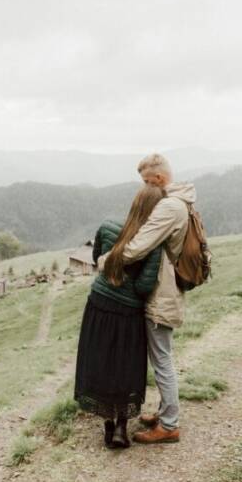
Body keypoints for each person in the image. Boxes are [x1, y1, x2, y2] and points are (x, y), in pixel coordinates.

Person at [101, 153, 195, 444]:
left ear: (160, 179)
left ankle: (169, 426)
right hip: (168, 290)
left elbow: (140, 246)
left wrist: (108, 260)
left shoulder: (169, 207)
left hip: (162, 295)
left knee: (162, 360)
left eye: (146, 181)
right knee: (162, 357)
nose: (144, 187)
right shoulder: (183, 201)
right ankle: (166, 413)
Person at [74, 184, 165, 449]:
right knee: (125, 365)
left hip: (99, 304)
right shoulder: (152, 242)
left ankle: (107, 425)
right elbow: (145, 286)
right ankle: (122, 429)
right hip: (128, 312)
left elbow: (97, 258)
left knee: (101, 361)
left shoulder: (107, 225)